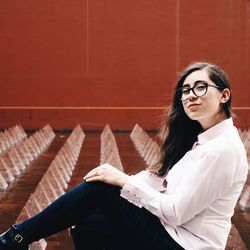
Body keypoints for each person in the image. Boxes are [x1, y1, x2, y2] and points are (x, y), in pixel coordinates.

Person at [0, 62, 248, 250]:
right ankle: (17, 237)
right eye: (185, 90)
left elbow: (175, 212)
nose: (190, 95)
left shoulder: (222, 149)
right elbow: (159, 183)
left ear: (224, 95)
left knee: (99, 191)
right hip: (174, 233)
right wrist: (119, 180)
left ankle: (15, 238)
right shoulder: (203, 141)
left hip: (186, 244)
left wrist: (122, 181)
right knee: (89, 224)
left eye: (200, 87)